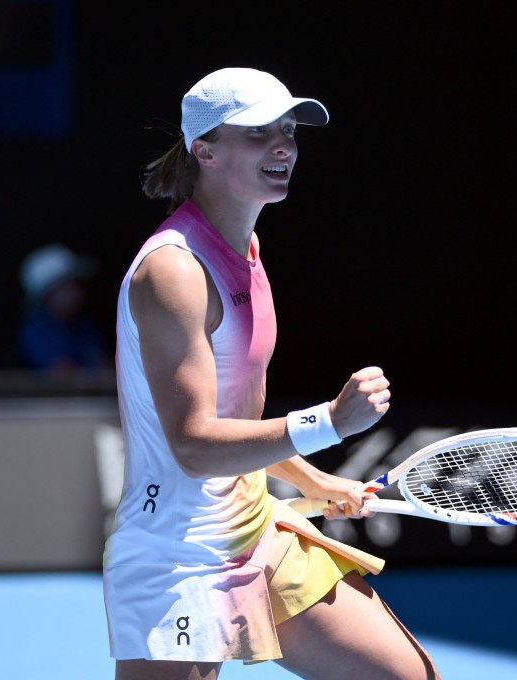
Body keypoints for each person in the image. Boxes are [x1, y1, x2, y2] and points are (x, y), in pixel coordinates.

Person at [102, 67, 441, 680]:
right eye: (259, 132)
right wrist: (330, 424)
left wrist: (312, 480)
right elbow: (194, 445)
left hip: (256, 522)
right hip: (176, 553)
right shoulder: (174, 272)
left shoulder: (247, 250)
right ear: (204, 149)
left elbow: (239, 422)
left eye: (288, 130)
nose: (283, 145)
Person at [16, 243, 110, 372]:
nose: (78, 292)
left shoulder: (85, 325)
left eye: (79, 284)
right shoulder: (35, 331)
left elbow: (103, 364)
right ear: (49, 295)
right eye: (69, 286)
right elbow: (61, 374)